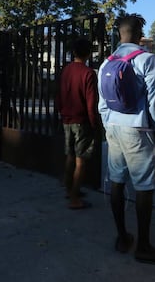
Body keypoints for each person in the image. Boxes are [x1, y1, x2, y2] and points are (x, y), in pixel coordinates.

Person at [98, 13, 155, 265]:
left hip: (112, 127)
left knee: (116, 180)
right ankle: (143, 246)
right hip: (138, 129)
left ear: (120, 33)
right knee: (144, 185)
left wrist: (109, 125)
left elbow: (102, 104)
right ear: (138, 33)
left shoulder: (106, 63)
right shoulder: (146, 59)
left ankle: (123, 236)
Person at [56, 38, 99, 210]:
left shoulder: (65, 71)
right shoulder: (88, 73)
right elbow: (91, 103)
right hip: (82, 122)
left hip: (67, 120)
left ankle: (69, 189)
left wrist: (62, 112)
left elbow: (58, 95)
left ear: (73, 53)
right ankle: (75, 199)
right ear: (88, 53)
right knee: (81, 160)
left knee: (70, 156)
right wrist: (94, 123)